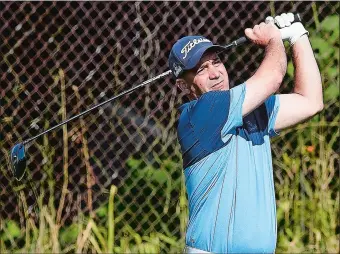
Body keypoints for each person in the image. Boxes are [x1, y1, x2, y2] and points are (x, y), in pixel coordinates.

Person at [168, 13, 323, 253]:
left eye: (217, 61)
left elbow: (311, 101)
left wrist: (297, 36)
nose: (215, 73)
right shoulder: (201, 113)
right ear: (184, 86)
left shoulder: (252, 110)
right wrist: (273, 39)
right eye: (201, 69)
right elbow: (273, 77)